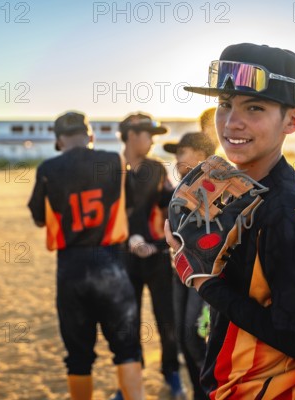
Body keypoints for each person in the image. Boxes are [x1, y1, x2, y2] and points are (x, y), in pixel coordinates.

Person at [165, 43, 295, 399]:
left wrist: (205, 283)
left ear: (292, 120)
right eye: (225, 104)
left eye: (255, 107)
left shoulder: (285, 213)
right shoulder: (243, 190)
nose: (232, 122)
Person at [27, 111, 144, 400]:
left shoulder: (48, 168)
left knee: (78, 356)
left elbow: (40, 218)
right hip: (111, 263)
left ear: (58, 141)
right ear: (90, 135)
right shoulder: (114, 160)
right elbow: (128, 204)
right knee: (126, 349)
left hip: (71, 267)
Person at [115, 112, 184, 399]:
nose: (152, 141)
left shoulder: (156, 169)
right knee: (127, 322)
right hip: (122, 258)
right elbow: (112, 211)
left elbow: (172, 204)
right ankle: (130, 382)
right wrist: (129, 237)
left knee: (166, 317)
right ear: (132, 135)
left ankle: (172, 374)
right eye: (148, 135)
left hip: (156, 255)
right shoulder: (111, 168)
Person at [163, 132, 216, 400]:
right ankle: (198, 393)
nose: (176, 158)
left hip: (203, 275)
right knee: (183, 338)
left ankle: (210, 393)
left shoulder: (217, 185)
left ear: (201, 154)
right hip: (180, 272)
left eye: (181, 152)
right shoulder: (180, 186)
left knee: (196, 339)